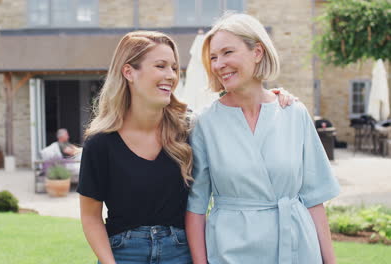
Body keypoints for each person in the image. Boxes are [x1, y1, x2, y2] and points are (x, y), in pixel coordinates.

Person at [78, 30, 296, 264]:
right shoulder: (100, 143)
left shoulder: (190, 130)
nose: (171, 75)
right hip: (123, 253)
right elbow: (91, 217)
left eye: (173, 67)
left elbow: (230, 112)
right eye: (160, 66)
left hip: (180, 253)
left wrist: (269, 97)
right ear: (129, 72)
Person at [185, 13, 340, 264]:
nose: (218, 64)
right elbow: (196, 207)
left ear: (257, 52)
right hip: (230, 252)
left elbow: (314, 200)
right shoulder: (205, 123)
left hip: (298, 248)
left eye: (227, 52)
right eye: (213, 57)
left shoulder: (294, 113)